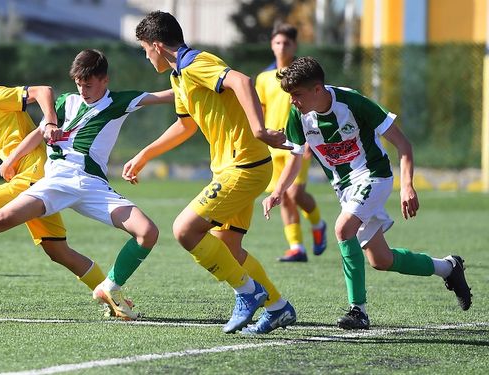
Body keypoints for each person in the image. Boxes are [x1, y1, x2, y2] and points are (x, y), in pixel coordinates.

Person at [0, 50, 173, 319]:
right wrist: (13, 157)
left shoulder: (120, 101)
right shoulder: (66, 102)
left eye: (88, 84)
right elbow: (36, 134)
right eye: (78, 84)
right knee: (2, 222)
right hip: (54, 180)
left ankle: (111, 289)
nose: (83, 90)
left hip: (91, 185)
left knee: (147, 232)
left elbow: (168, 96)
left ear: (104, 80)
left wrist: (202, 82)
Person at [262, 56, 473, 330]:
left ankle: (357, 310)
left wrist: (407, 186)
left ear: (317, 89)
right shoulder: (298, 114)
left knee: (342, 229)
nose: (292, 101)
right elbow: (296, 157)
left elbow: (404, 145)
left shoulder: (354, 103)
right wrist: (278, 191)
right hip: (345, 188)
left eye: (297, 95)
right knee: (381, 260)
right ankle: (448, 268)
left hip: (374, 175)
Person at [126, 11, 296, 335]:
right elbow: (185, 125)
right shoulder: (178, 76)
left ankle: (247, 292)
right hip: (234, 168)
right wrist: (144, 154)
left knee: (185, 230)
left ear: (157, 46)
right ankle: (276, 307)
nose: (146, 57)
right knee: (228, 248)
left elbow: (241, 81)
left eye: (145, 49)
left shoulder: (194, 63)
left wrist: (258, 129)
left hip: (243, 166)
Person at [255, 23, 327, 262]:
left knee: (295, 193)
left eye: (287, 42)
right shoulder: (264, 78)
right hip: (274, 144)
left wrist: (310, 141)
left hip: (300, 141)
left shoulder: (303, 76)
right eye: (277, 42)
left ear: (295, 45)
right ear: (271, 45)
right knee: (283, 195)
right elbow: (261, 111)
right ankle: (297, 247)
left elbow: (316, 105)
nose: (282, 46)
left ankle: (318, 224)